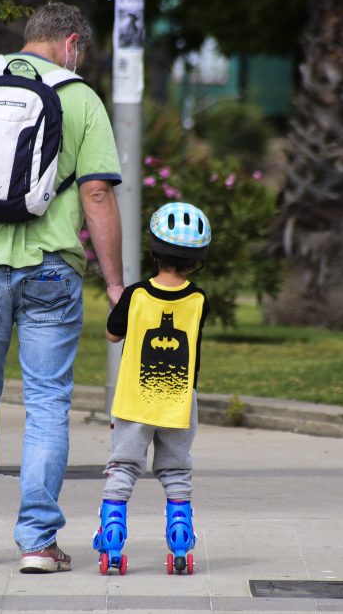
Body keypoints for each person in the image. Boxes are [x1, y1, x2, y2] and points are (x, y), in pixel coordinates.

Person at [0, 2, 124, 573]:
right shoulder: (80, 97)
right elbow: (98, 195)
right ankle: (37, 542)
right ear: (72, 45)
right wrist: (114, 283)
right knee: (46, 406)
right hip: (52, 274)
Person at [93, 202, 212, 576]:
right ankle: (180, 539)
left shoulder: (136, 295)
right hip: (179, 403)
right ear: (197, 261)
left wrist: (123, 308)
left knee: (124, 467)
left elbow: (113, 334)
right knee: (177, 471)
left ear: (153, 251)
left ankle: (112, 537)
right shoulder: (199, 300)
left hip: (134, 403)